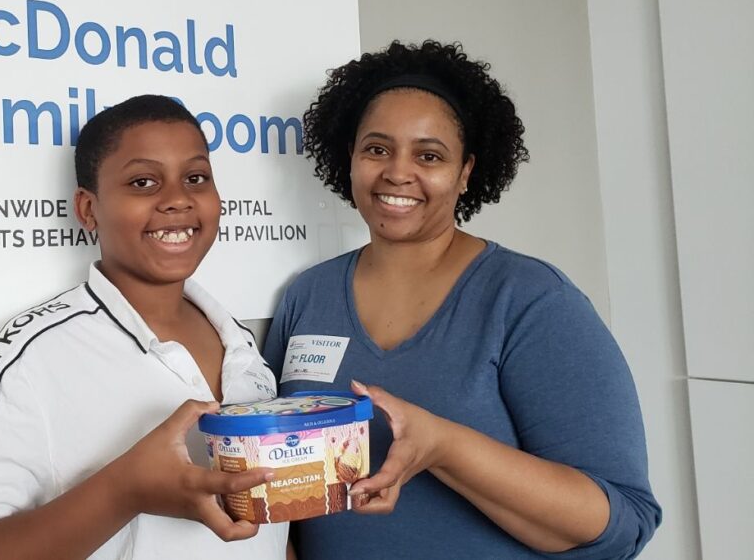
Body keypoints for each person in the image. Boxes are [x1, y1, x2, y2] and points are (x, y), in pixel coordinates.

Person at [263, 41, 661, 559]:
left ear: (466, 171)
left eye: (429, 155)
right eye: (377, 149)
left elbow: (624, 522)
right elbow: (278, 483)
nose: (397, 173)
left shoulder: (530, 302)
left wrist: (443, 446)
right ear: (351, 157)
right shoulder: (307, 296)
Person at [0, 95, 288, 560]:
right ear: (88, 208)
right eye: (143, 182)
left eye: (195, 178)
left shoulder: (239, 341)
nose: (178, 199)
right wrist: (125, 490)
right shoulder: (33, 357)